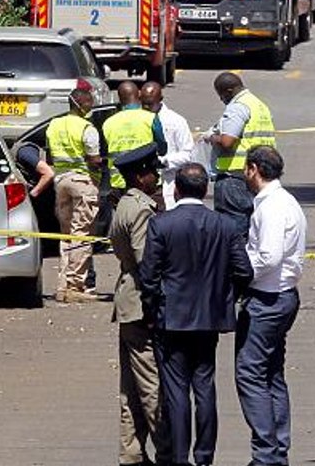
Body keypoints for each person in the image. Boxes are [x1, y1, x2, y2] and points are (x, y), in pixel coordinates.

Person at [139, 163, 254, 466]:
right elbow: (244, 270)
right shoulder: (225, 225)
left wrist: (151, 312)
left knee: (176, 392)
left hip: (171, 319)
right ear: (205, 191)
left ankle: (179, 457)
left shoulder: (162, 224)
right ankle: (204, 457)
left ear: (176, 190)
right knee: (204, 387)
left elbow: (149, 276)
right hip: (209, 319)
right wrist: (223, 296)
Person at [236, 145, 307, 466]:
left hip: (267, 298)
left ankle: (266, 454)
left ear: (254, 169)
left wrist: (238, 274)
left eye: (245, 169)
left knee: (250, 374)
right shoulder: (283, 201)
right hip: (281, 295)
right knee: (270, 374)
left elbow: (268, 256)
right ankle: (276, 449)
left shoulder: (272, 207)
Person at [110, 144, 171, 466]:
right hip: (140, 305)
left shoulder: (126, 204)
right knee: (151, 386)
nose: (156, 177)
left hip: (128, 300)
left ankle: (131, 453)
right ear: (138, 175)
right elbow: (147, 263)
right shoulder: (142, 210)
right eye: (151, 171)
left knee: (131, 387)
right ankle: (167, 450)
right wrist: (154, 307)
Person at [46, 87, 103, 303]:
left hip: (60, 183)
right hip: (83, 183)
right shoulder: (87, 128)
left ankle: (63, 284)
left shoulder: (54, 125)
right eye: (88, 103)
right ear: (79, 104)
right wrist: (105, 165)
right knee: (81, 235)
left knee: (67, 234)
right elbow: (94, 159)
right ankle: (76, 284)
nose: (91, 106)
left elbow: (50, 156)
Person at [208, 72, 276, 232]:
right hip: (257, 177)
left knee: (232, 234)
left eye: (222, 94)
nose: (221, 99)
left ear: (229, 91)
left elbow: (227, 142)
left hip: (234, 178)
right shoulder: (259, 106)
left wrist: (211, 137)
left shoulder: (238, 107)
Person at [103, 81, 168, 191]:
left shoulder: (108, 123)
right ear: (139, 94)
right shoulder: (150, 118)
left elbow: (104, 153)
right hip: (147, 181)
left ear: (119, 98)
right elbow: (162, 149)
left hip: (119, 182)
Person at [141, 81, 196, 209]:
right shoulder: (137, 120)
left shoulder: (176, 121)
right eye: (143, 103)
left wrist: (165, 161)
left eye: (150, 104)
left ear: (160, 99)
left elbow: (188, 154)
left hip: (168, 185)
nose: (146, 107)